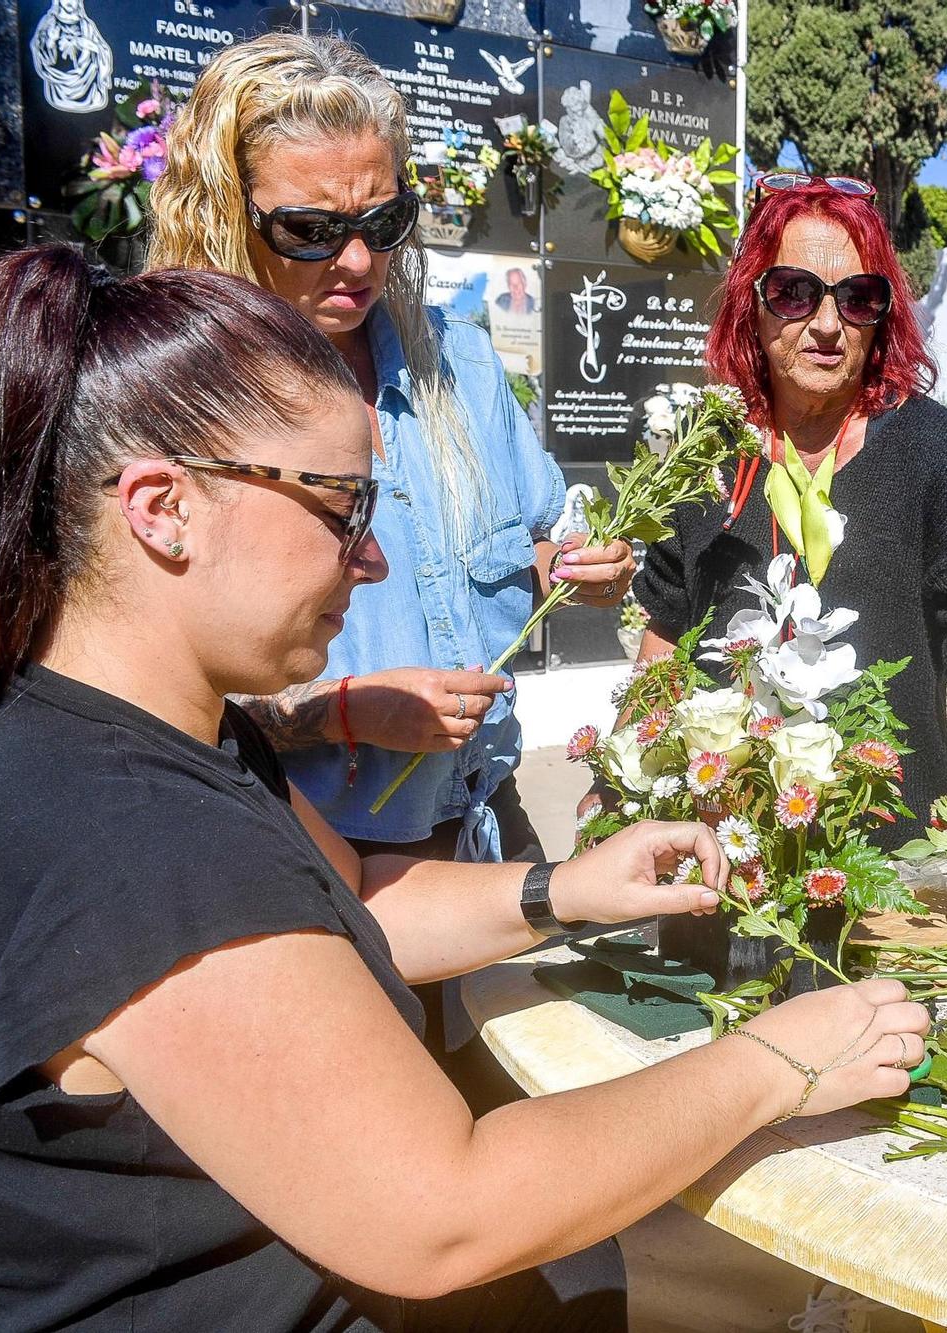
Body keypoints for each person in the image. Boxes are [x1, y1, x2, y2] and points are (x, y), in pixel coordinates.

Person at [0, 247, 929, 1330]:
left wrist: (563, 891)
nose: (371, 558)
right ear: (161, 507)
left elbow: (357, 906)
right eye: (343, 508)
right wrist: (776, 1059)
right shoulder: (127, 838)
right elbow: (444, 1213)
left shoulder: (159, 735)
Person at [148, 32, 632, 868]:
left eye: (385, 220)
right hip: (300, 846)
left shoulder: (464, 365)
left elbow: (537, 541)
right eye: (311, 229)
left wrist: (579, 571)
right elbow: (149, 695)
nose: (360, 259)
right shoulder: (184, 401)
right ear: (226, 211)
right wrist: (344, 710)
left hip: (489, 825)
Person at [626, 174, 947, 842]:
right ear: (753, 302)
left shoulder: (932, 447)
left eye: (858, 298)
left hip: (899, 854)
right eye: (794, 292)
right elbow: (664, 630)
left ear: (882, 314)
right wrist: (624, 775)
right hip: (725, 851)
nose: (827, 324)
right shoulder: (702, 454)